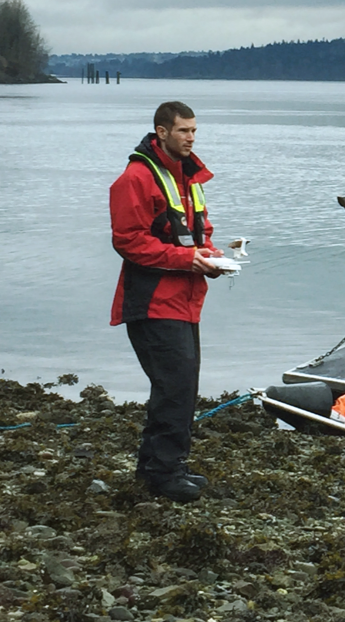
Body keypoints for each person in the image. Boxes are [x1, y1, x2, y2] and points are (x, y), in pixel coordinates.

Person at [109, 101, 223, 502]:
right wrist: (187, 259)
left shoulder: (188, 178)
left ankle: (160, 467)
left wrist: (210, 256)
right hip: (152, 301)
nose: (191, 138)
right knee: (175, 387)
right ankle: (164, 474)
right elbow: (128, 241)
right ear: (161, 132)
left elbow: (199, 231)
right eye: (183, 131)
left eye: (194, 131)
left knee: (181, 386)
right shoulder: (136, 178)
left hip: (184, 300)